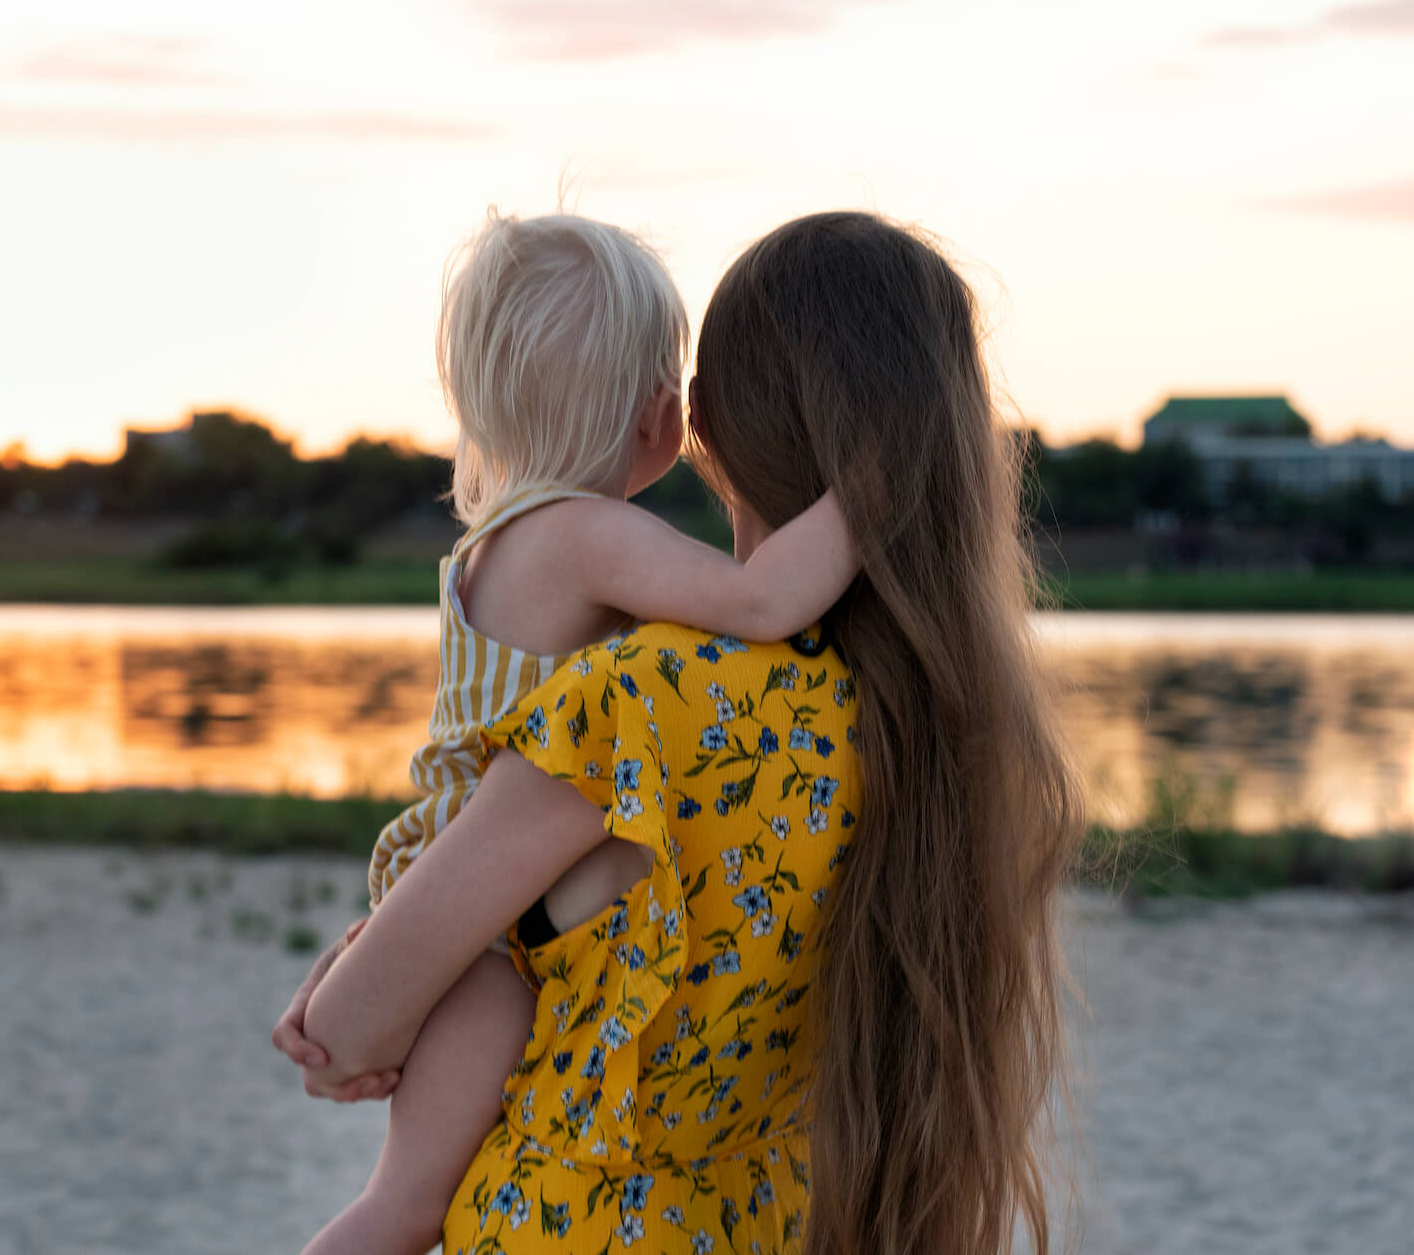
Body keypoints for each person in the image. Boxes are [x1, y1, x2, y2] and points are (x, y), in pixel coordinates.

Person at [277, 211, 1084, 1255]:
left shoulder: (637, 702)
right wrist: (893, 473)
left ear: (709, 423)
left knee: (396, 1202)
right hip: (763, 1226)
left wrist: (346, 1003)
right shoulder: (924, 725)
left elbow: (345, 1036)